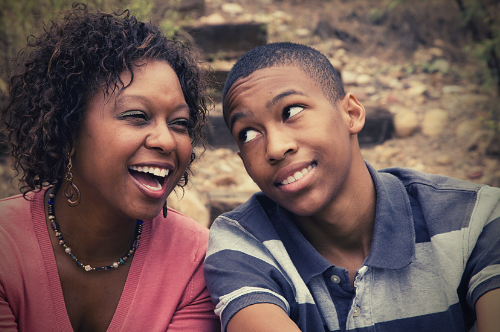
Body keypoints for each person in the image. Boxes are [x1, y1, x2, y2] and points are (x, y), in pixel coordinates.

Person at [203, 42, 500, 332]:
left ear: (352, 114)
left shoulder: (473, 219)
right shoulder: (244, 244)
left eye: (291, 112)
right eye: (249, 133)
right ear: (242, 159)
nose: (275, 148)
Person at [0, 3, 220, 331]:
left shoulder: (197, 262)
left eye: (180, 123)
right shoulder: (6, 245)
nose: (167, 141)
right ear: (68, 129)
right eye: (137, 116)